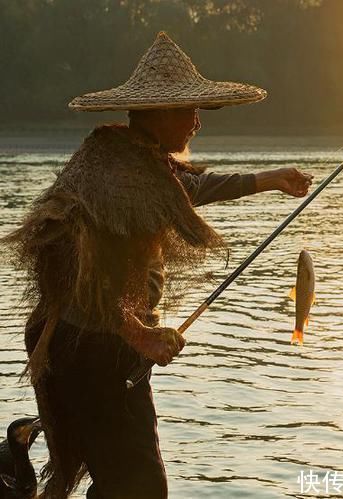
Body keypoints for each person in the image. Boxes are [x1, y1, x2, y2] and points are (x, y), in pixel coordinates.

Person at [3, 32, 312, 498]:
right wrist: (140, 334)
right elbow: (81, 274)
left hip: (79, 339)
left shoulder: (130, 160)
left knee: (89, 474)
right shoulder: (121, 177)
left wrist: (272, 179)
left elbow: (190, 191)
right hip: (94, 346)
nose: (196, 123)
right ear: (161, 112)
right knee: (139, 485)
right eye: (189, 112)